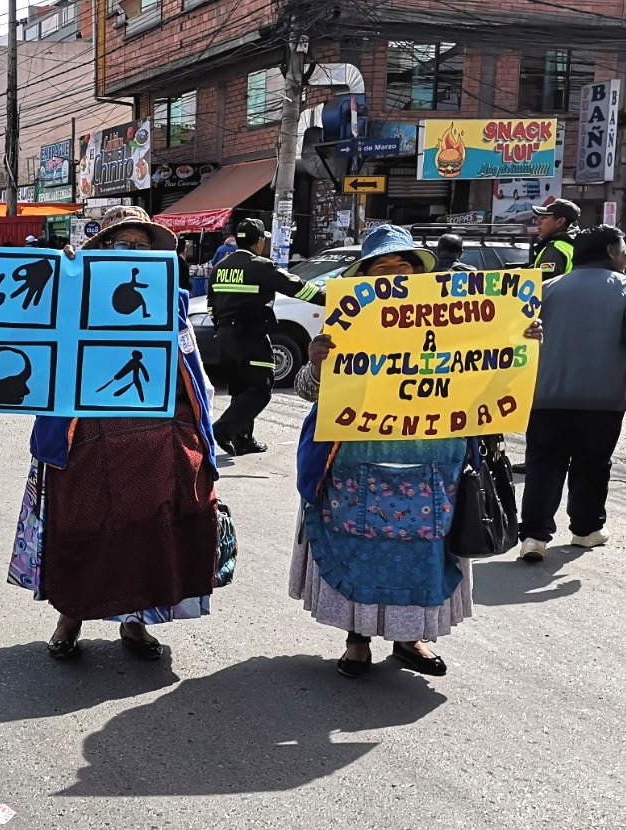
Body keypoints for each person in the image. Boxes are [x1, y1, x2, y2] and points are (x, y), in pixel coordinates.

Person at [291, 225, 543, 678]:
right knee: (357, 549)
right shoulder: (342, 323)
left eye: (402, 266)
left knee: (423, 552)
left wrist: (518, 344)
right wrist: (315, 364)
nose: (393, 276)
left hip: (433, 463)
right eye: (381, 268)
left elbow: (488, 380)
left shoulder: (457, 322)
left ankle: (411, 639)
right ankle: (357, 639)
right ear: (364, 277)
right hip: (352, 461)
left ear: (418, 273)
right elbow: (309, 393)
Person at [10, 206, 222, 661]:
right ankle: (71, 617)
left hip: (155, 446)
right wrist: (60, 284)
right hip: (87, 441)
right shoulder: (70, 298)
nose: (130, 253)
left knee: (150, 534)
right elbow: (26, 334)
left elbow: (192, 374)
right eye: (118, 244)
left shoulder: (172, 302)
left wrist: (198, 436)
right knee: (82, 528)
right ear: (101, 250)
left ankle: (138, 622)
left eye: (141, 246)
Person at [517, 225, 626, 561]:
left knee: (543, 466)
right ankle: (586, 530)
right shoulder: (624, 290)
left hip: (546, 398)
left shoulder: (544, 290)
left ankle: (534, 537)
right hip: (604, 401)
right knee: (592, 467)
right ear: (610, 252)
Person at [208, 218, 320, 455]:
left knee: (242, 390)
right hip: (251, 337)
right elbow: (297, 287)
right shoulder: (260, 265)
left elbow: (211, 306)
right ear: (259, 241)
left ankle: (243, 440)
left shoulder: (220, 267)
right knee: (260, 389)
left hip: (225, 339)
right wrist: (333, 297)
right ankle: (224, 429)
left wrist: (221, 328)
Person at [531, 199, 580, 280]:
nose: (537, 222)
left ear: (560, 221)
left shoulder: (555, 249)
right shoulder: (577, 243)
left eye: (544, 218)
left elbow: (545, 286)